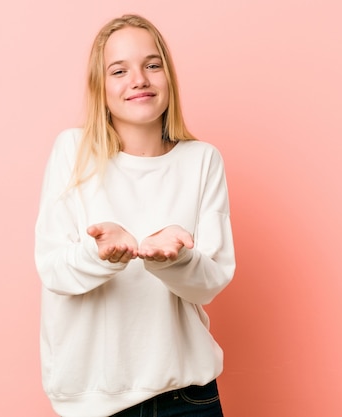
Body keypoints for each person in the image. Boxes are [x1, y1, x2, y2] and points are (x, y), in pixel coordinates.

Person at [34, 14, 236, 417]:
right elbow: (53, 269)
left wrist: (176, 258)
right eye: (119, 70)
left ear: (168, 76)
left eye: (152, 64)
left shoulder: (202, 160)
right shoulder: (73, 152)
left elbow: (208, 285)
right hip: (93, 400)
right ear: (100, 87)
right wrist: (102, 254)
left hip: (187, 398)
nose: (139, 79)